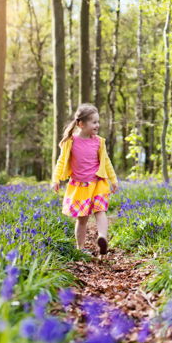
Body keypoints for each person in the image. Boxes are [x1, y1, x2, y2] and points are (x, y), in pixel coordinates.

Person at [51, 103, 118, 255]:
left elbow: (106, 161)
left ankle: (102, 238)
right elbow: (61, 161)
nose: (97, 125)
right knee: (82, 219)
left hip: (98, 184)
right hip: (80, 186)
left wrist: (113, 180)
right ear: (81, 124)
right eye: (94, 122)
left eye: (98, 122)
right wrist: (56, 179)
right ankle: (80, 249)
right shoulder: (71, 142)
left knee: (100, 211)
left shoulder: (99, 142)